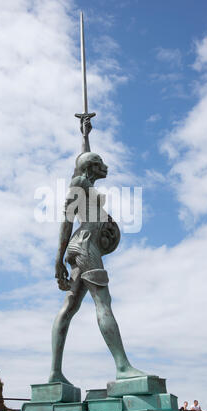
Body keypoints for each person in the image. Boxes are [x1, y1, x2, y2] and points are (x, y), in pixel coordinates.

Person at [50, 116, 146, 385]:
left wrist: (84, 135)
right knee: (103, 303)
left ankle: (55, 374)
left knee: (69, 307)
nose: (105, 167)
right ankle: (123, 367)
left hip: (83, 247)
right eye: (100, 163)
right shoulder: (78, 185)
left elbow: (81, 160)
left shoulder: (84, 181)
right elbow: (66, 222)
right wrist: (58, 261)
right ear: (92, 168)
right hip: (85, 247)